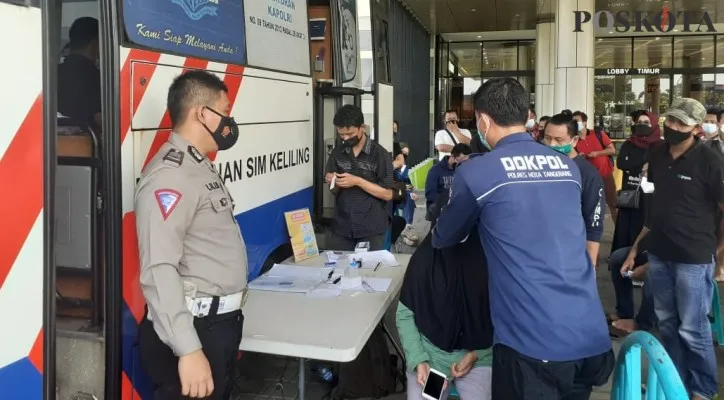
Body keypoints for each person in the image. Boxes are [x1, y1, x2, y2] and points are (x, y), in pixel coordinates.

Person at [432, 78, 613, 399]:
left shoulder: (477, 172)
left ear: (484, 121)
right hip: (589, 334)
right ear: (527, 115)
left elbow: (444, 237)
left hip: (532, 344)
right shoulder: (566, 167)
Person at [135, 70, 248, 400]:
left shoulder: (198, 165)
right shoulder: (170, 176)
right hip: (194, 331)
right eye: (225, 110)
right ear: (203, 113)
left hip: (217, 326)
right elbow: (158, 269)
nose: (229, 120)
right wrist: (188, 350)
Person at [622, 98, 724, 400]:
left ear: (696, 128)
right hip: (660, 253)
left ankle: (703, 389)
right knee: (667, 323)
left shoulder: (710, 160)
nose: (673, 128)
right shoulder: (657, 154)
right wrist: (636, 248)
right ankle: (674, 380)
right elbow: (654, 208)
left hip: (694, 257)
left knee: (693, 328)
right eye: (670, 121)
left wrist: (718, 254)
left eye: (681, 123)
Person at [398, 188, 493, 400]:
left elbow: (506, 320)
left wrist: (477, 355)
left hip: (479, 355)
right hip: (431, 356)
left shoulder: (490, 258)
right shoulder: (425, 258)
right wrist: (418, 360)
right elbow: (404, 315)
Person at [608, 111, 661, 329]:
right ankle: (625, 311)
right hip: (632, 198)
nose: (642, 125)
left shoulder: (661, 147)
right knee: (618, 255)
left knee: (658, 270)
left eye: (647, 122)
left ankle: (646, 321)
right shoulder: (630, 143)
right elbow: (623, 163)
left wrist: (641, 165)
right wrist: (633, 252)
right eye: (639, 122)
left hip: (668, 249)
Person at [324, 105, 394, 251]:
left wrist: (357, 181)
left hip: (371, 228)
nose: (345, 138)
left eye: (350, 134)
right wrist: (332, 181)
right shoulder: (338, 152)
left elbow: (388, 194)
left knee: (369, 271)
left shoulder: (380, 155)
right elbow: (334, 190)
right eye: (341, 135)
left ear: (362, 127)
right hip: (342, 227)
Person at [541, 112, 605, 265]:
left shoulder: (587, 173)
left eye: (558, 140)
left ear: (575, 140)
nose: (551, 145)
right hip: (539, 255)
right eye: (547, 138)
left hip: (571, 257)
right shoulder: (538, 167)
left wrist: (590, 267)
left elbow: (594, 226)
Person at [58, 17, 102, 133]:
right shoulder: (96, 78)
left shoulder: (54, 73)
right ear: (94, 44)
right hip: (88, 144)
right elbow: (101, 119)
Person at [573, 111, 618, 220]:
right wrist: (578, 156)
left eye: (577, 121)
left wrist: (596, 153)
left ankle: (619, 233)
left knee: (613, 204)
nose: (574, 123)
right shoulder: (573, 140)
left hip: (605, 174)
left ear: (584, 122)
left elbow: (612, 150)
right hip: (588, 179)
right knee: (588, 206)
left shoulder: (598, 134)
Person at [424, 143, 471, 223]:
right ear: (453, 156)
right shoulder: (435, 170)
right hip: (440, 206)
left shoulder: (463, 170)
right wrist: (447, 202)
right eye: (461, 160)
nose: (463, 163)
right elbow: (430, 194)